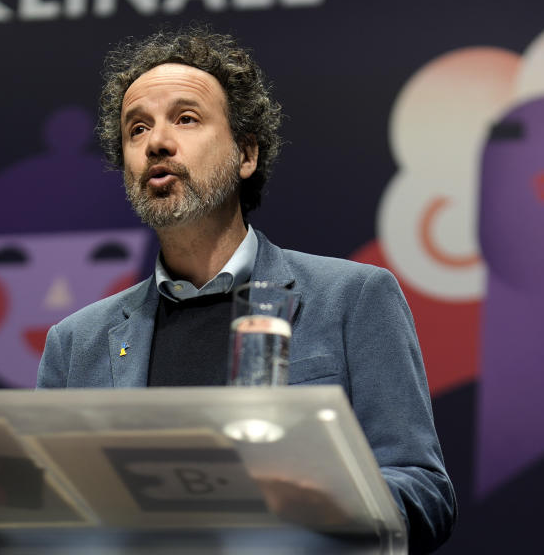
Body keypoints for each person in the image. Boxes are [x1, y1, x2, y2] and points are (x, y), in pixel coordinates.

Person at [37, 27, 456, 553]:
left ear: (246, 154)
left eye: (186, 119)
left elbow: (422, 490)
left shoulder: (352, 298)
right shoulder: (76, 343)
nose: (157, 143)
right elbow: (47, 515)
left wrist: (303, 503)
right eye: (137, 129)